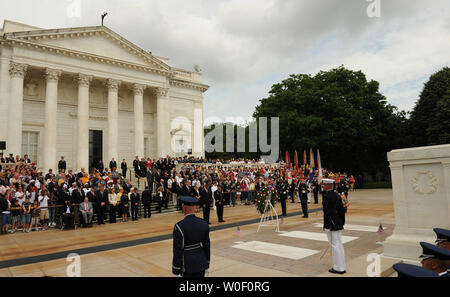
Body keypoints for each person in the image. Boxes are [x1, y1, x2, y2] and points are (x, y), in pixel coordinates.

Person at [172, 196, 210, 277]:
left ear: (184, 207)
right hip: (201, 261)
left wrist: (176, 268)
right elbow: (207, 245)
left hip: (187, 263)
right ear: (194, 207)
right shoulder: (203, 223)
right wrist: (207, 262)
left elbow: (178, 250)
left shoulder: (179, 226)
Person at [322, 178, 346, 274]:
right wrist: (342, 222)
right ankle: (341, 266)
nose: (323, 186)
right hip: (338, 222)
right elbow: (342, 210)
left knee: (335, 246)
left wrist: (326, 226)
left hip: (332, 224)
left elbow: (327, 213)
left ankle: (338, 267)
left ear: (327, 186)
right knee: (339, 245)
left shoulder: (327, 196)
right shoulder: (337, 195)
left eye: (324, 185)